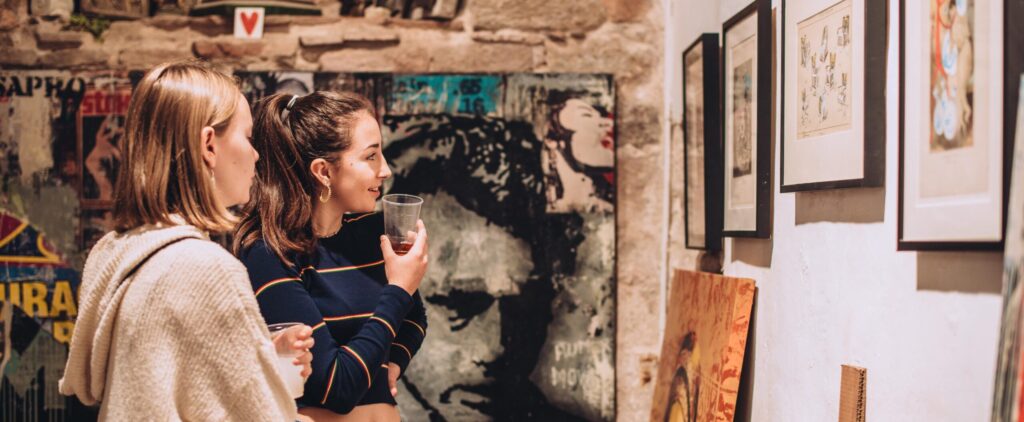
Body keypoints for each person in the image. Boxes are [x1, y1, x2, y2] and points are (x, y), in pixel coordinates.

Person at [59, 60, 314, 421]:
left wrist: (256, 360)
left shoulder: (116, 252)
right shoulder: (206, 268)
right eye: (248, 138)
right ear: (209, 144)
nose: (256, 155)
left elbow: (155, 382)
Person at [234, 90, 429, 421]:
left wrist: (392, 362)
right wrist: (397, 289)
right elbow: (336, 389)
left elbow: (412, 318)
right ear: (323, 171)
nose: (386, 170)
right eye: (370, 157)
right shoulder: (271, 253)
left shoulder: (372, 232)